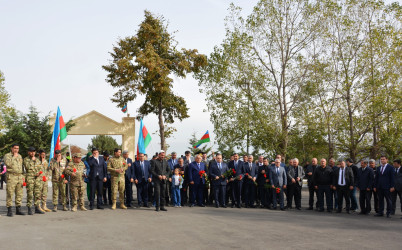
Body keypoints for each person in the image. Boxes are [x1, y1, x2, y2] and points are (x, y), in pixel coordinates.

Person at [4, 144, 25, 216]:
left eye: (18, 148)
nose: (16, 150)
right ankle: (9, 210)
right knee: (10, 193)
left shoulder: (20, 156)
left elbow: (21, 166)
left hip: (19, 177)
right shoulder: (7, 156)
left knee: (19, 194)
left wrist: (23, 176)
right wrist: (14, 157)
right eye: (15, 148)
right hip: (11, 176)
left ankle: (18, 209)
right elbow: (8, 164)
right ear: (11, 148)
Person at [23, 146, 41, 215]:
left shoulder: (37, 160)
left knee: (37, 194)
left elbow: (40, 168)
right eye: (31, 152)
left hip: (37, 179)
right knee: (30, 194)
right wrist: (32, 160)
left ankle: (37, 208)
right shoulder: (26, 159)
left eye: (34, 152)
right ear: (28, 152)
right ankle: (29, 208)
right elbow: (27, 167)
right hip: (30, 178)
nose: (32, 153)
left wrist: (39, 173)